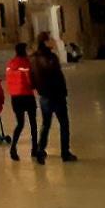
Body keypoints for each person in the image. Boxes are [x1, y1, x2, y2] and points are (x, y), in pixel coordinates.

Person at [31, 31, 77, 164]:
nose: (53, 41)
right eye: (51, 39)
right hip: (56, 95)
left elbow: (32, 79)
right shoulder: (51, 58)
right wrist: (63, 92)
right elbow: (57, 77)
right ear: (45, 42)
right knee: (64, 124)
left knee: (46, 124)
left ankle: (40, 150)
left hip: (44, 96)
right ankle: (65, 152)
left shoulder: (33, 58)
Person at [5, 43, 38, 162]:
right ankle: (34, 149)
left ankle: (13, 147)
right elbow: (30, 81)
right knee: (33, 124)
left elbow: (8, 80)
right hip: (27, 96)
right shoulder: (25, 63)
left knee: (20, 124)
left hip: (15, 97)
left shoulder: (10, 64)